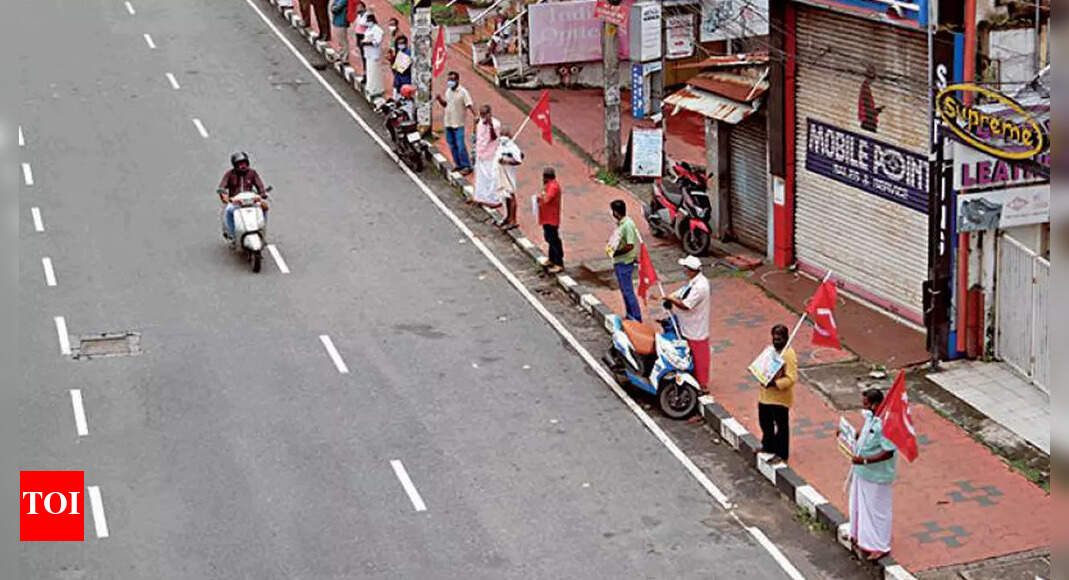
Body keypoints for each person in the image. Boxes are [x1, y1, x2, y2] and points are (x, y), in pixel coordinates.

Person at [849, 388, 898, 561]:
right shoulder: (871, 417)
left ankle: (881, 546)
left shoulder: (886, 423)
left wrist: (865, 461)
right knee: (862, 506)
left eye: (866, 404)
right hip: (863, 473)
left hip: (877, 474)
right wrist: (850, 435)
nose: (864, 407)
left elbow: (888, 452)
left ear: (876, 404)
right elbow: (866, 435)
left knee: (877, 511)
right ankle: (862, 537)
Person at [662, 255, 711, 391]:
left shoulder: (700, 287)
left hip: (696, 327)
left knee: (699, 356)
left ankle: (702, 384)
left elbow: (686, 305)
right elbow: (682, 293)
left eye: (686, 269)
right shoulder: (694, 282)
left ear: (692, 270)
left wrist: (671, 300)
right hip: (687, 325)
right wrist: (671, 297)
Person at [758, 324, 797, 464]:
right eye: (774, 338)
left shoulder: (789, 355)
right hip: (765, 396)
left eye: (779, 339)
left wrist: (775, 384)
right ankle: (768, 446)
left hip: (780, 398)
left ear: (786, 338)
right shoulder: (769, 351)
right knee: (765, 423)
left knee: (781, 427)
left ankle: (781, 453)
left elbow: (791, 378)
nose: (776, 341)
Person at [217, 152, 268, 240]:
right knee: (228, 211)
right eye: (240, 164)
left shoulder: (252, 173)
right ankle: (232, 234)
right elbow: (222, 186)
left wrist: (262, 194)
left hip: (251, 201)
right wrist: (224, 195)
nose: (243, 166)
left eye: (244, 163)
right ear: (235, 165)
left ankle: (261, 230)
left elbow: (260, 185)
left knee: (264, 207)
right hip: (236, 202)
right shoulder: (229, 174)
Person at [608, 200, 642, 322]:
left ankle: (636, 317)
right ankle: (630, 314)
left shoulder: (627, 225)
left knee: (628, 291)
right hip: (620, 261)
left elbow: (630, 245)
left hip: (624, 262)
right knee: (624, 290)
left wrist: (616, 252)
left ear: (616, 212)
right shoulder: (622, 224)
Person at [436, 71, 475, 174]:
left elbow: (469, 104)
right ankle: (458, 165)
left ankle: (466, 166)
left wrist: (476, 115)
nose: (450, 82)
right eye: (449, 80)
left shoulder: (463, 92)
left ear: (457, 80)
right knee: (452, 145)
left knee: (461, 145)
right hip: (448, 122)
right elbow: (446, 105)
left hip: (458, 124)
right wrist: (440, 100)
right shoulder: (448, 91)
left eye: (452, 80)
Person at [471, 105, 502, 208]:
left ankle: (492, 199)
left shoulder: (496, 124)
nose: (483, 116)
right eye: (481, 114)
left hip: (491, 155)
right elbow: (476, 136)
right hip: (480, 154)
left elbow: (493, 138)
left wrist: (490, 125)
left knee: (491, 178)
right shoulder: (479, 122)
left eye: (484, 114)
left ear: (489, 113)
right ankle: (480, 197)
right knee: (480, 178)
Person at [493, 125, 523, 230]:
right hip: (500, 174)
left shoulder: (513, 148)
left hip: (508, 175)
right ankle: (507, 217)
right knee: (505, 197)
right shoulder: (501, 145)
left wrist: (507, 161)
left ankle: (513, 220)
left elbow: (518, 160)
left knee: (511, 197)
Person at [537, 167, 563, 273]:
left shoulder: (553, 187)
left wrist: (542, 195)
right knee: (549, 238)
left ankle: (558, 262)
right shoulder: (548, 185)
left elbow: (547, 199)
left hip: (551, 218)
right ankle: (551, 259)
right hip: (546, 217)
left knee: (553, 240)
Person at [361, 13, 385, 98]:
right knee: (370, 71)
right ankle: (370, 88)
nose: (367, 22)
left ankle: (376, 90)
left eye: (369, 21)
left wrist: (367, 43)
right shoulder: (368, 29)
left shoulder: (377, 30)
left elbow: (377, 41)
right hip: (368, 54)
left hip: (374, 54)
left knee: (375, 72)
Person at [350, 2, 368, 70]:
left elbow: (365, 24)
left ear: (363, 8)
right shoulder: (358, 15)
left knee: (365, 55)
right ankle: (364, 70)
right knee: (362, 53)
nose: (357, 9)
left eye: (359, 7)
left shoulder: (367, 16)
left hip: (364, 36)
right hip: (358, 35)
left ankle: (366, 71)